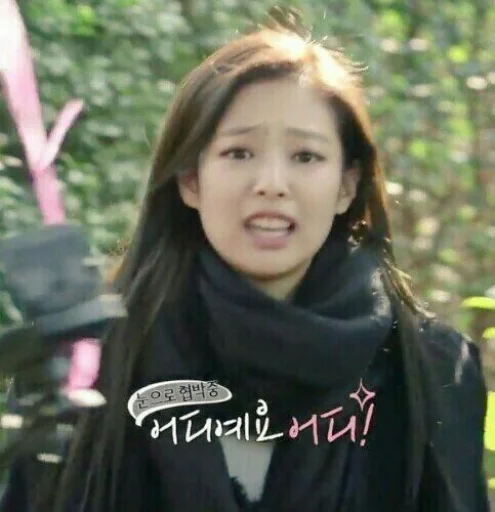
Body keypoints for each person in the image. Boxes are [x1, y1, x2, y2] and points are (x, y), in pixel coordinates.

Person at [0, 20, 490, 512]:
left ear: (346, 186)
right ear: (190, 180)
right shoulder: (86, 366)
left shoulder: (432, 370)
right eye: (239, 153)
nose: (271, 183)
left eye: (306, 156)